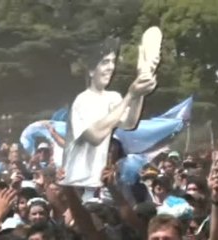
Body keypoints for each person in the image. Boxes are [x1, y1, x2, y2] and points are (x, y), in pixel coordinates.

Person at [61, 37, 158, 188]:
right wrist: (130, 95)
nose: (111, 67)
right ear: (92, 70)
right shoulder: (82, 101)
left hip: (97, 184)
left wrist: (141, 90)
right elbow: (95, 136)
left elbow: (129, 123)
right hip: (75, 184)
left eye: (112, 62)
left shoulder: (113, 97)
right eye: (105, 62)